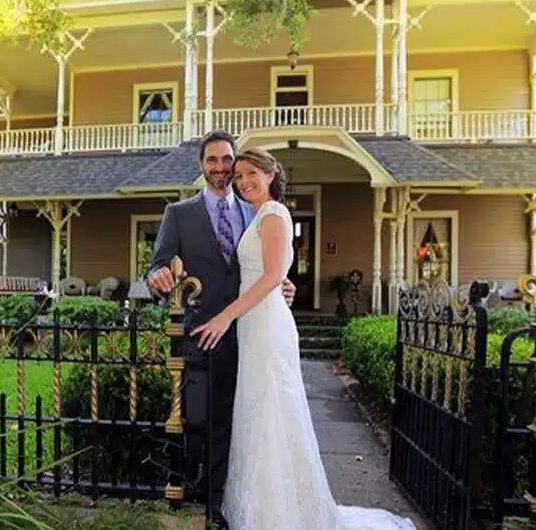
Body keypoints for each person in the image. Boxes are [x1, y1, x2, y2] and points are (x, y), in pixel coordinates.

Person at [191, 148, 417, 530]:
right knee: (258, 412)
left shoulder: (274, 213)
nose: (243, 181)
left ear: (270, 174)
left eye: (251, 174)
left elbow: (270, 275)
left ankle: (279, 515)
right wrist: (280, 284)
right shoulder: (259, 215)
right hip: (254, 323)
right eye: (239, 176)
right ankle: (261, 506)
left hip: (265, 325)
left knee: (273, 410)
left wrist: (225, 316)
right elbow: (272, 273)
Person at [147, 131, 296, 529]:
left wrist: (282, 284)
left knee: (247, 422)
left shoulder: (255, 208)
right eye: (211, 160)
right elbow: (157, 265)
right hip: (205, 332)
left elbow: (268, 266)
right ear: (201, 165)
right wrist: (157, 276)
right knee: (203, 423)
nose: (220, 167)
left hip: (252, 332)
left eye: (226, 159)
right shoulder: (179, 214)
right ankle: (205, 500)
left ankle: (227, 505)